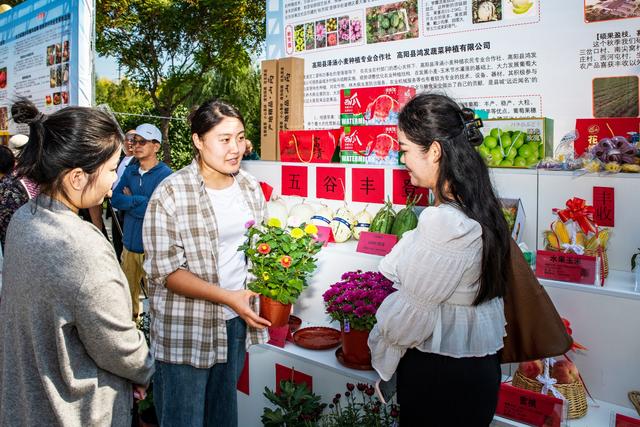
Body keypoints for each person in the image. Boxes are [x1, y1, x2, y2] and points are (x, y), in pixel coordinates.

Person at [0, 99, 154, 426]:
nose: (114, 181)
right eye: (112, 169)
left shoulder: (23, 220)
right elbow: (117, 344)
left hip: (26, 403)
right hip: (76, 410)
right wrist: (143, 369)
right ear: (76, 178)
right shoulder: (82, 246)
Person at [367, 93, 510, 426]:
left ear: (434, 150)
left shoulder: (445, 221)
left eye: (404, 149)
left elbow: (411, 316)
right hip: (475, 370)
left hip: (440, 376)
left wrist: (384, 356)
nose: (401, 158)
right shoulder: (479, 206)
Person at [143, 100, 271, 427]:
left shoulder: (249, 188)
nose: (236, 148)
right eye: (224, 139)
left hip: (234, 323)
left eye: (240, 138)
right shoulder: (171, 192)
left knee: (223, 414)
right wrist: (228, 296)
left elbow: (258, 251)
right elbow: (167, 272)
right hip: (186, 327)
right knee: (183, 417)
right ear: (198, 141)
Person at [111, 123, 171, 319]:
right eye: (134, 141)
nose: (136, 145)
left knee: (157, 303)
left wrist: (130, 201)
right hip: (129, 246)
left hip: (153, 250)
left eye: (142, 141)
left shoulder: (166, 176)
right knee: (127, 303)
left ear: (156, 146)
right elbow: (115, 199)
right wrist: (140, 201)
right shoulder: (130, 171)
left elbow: (156, 211)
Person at [109, 129, 136, 261]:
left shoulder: (137, 160)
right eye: (128, 139)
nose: (131, 142)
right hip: (115, 209)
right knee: (117, 244)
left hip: (128, 210)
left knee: (128, 247)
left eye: (134, 139)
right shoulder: (119, 160)